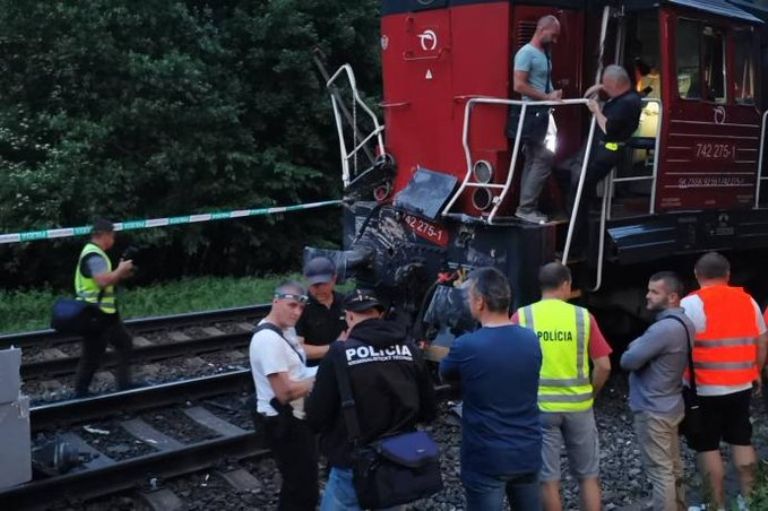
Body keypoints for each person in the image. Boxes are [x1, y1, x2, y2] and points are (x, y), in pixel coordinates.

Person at [306, 288, 436, 510]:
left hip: (352, 461)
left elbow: (316, 416)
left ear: (349, 316)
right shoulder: (410, 349)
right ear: (380, 314)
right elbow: (429, 410)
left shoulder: (339, 354)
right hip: (398, 459)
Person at [440, 267, 543, 510]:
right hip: (527, 450)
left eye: (470, 297)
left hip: (487, 456)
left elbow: (445, 373)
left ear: (480, 302)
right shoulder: (531, 340)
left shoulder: (467, 346)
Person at [513, 262, 612, 511]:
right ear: (566, 284)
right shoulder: (583, 317)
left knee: (548, 479)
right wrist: (591, 393)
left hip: (541, 407)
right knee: (588, 476)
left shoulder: (522, 316)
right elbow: (604, 366)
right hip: (579, 406)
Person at [680, 252, 767, 511]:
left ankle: (714, 505)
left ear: (697, 275)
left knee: (708, 446)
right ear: (728, 275)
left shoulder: (690, 304)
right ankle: (752, 502)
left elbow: (679, 345)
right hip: (741, 385)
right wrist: (755, 371)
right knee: (741, 439)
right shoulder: (747, 301)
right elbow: (762, 340)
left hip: (704, 388)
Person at [620, 272, 694, 511]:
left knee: (660, 472)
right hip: (671, 403)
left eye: (654, 292)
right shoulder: (684, 323)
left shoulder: (663, 329)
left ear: (672, 297)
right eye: (648, 290)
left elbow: (628, 360)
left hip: (653, 409)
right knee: (673, 466)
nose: (647, 296)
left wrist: (636, 345)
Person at [250, 281, 318, 510]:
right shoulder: (268, 340)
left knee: (299, 483)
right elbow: (285, 393)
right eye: (291, 306)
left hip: (295, 417)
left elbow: (297, 371)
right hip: (283, 421)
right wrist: (323, 376)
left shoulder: (287, 330)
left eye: (301, 308)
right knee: (301, 488)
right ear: (276, 301)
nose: (297, 313)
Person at [561, 65, 643, 254]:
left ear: (615, 84)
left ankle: (576, 243)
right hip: (597, 149)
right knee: (565, 171)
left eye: (606, 85)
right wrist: (600, 86)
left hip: (607, 151)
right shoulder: (621, 97)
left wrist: (597, 111)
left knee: (579, 187)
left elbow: (609, 129)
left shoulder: (627, 103)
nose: (604, 89)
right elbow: (588, 95)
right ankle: (580, 212)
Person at [73, 218, 135, 397]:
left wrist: (120, 274)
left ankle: (124, 385)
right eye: (113, 235)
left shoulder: (95, 253)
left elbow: (106, 279)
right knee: (92, 355)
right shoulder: (93, 255)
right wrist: (120, 270)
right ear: (105, 235)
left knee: (124, 343)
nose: (113, 239)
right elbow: (102, 281)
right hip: (95, 314)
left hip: (106, 314)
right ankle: (81, 394)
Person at [512, 15, 562, 224]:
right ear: (542, 29)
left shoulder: (543, 53)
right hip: (535, 114)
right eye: (554, 35)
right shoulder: (526, 53)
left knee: (534, 159)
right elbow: (519, 85)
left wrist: (552, 94)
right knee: (542, 159)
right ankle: (526, 208)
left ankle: (526, 207)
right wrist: (547, 97)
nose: (555, 40)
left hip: (541, 113)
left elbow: (540, 82)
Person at [296, 257, 347, 366]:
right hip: (314, 368)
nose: (319, 289)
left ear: (334, 279)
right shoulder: (299, 308)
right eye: (314, 285)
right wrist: (334, 348)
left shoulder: (346, 302)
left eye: (324, 284)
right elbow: (298, 350)